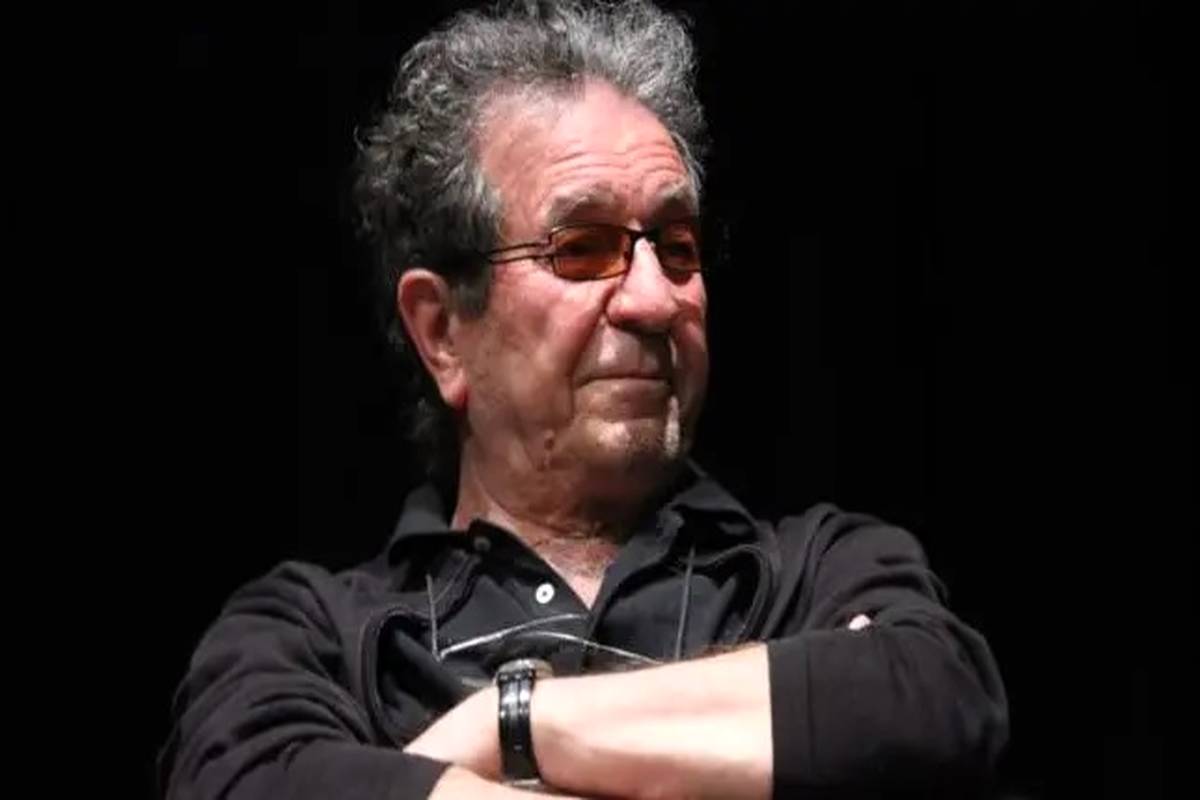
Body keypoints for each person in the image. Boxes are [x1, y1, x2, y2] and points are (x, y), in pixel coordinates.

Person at [159, 2, 1008, 798]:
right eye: (583, 248)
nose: (655, 299)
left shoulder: (818, 571)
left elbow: (934, 704)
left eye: (676, 247)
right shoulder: (314, 639)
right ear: (443, 332)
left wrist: (511, 722)